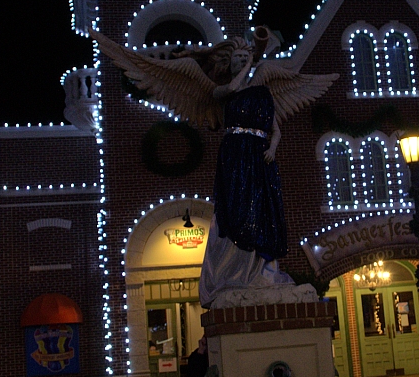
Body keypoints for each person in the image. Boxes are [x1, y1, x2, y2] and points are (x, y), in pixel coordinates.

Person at [90, 28, 336, 307]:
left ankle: (260, 272)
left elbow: (274, 126)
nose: (241, 62)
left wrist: (272, 148)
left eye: (245, 58)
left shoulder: (262, 93)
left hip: (259, 157)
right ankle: (234, 271)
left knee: (261, 210)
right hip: (235, 155)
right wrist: (250, 64)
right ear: (228, 64)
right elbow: (232, 88)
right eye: (236, 59)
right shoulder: (223, 91)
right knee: (237, 209)